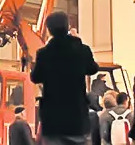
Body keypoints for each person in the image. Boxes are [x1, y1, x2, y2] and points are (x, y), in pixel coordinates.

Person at [30, 11, 100, 145]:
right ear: (68, 27)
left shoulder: (44, 53)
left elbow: (35, 77)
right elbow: (93, 69)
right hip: (77, 117)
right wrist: (78, 41)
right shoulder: (81, 50)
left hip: (53, 120)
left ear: (49, 30)